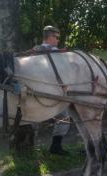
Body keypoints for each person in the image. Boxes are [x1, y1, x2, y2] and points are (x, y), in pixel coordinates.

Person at [33, 25, 71, 155]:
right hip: (53, 94)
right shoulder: (57, 53)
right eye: (57, 37)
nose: (58, 40)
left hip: (34, 93)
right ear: (49, 37)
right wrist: (65, 86)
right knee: (64, 117)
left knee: (32, 119)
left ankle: (30, 148)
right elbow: (60, 74)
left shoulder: (33, 51)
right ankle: (56, 146)